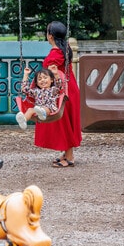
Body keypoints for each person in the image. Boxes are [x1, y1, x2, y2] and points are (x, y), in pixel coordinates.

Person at [34, 21, 82, 168]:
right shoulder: (65, 48)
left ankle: (69, 157)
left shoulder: (56, 53)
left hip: (60, 89)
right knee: (66, 120)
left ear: (50, 36)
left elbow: (50, 75)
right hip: (69, 86)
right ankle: (67, 153)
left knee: (62, 121)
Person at [16, 65, 63, 129]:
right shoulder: (36, 91)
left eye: (45, 78)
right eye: (39, 79)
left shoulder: (53, 89)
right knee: (30, 110)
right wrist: (25, 75)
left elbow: (59, 85)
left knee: (46, 109)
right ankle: (23, 121)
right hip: (38, 110)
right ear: (37, 83)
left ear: (51, 80)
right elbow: (25, 90)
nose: (42, 80)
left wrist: (55, 73)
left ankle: (42, 113)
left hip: (50, 109)